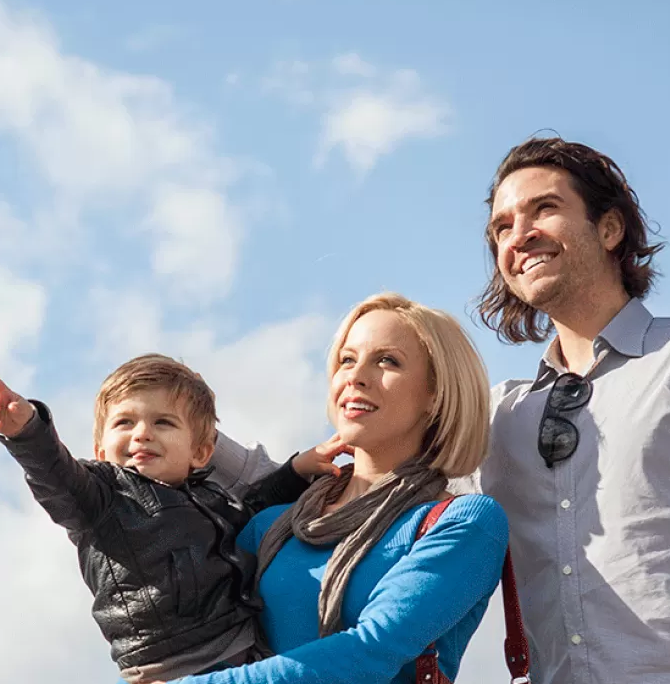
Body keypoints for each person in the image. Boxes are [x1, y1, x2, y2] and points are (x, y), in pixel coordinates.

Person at [165, 293, 509, 684]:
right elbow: (197, 637)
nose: (355, 376)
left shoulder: (464, 522)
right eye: (347, 359)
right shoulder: (270, 525)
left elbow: (370, 652)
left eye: (387, 360)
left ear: (436, 394)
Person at [0, 354, 350, 684]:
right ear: (100, 449)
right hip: (168, 665)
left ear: (200, 452)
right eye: (124, 422)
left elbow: (253, 510)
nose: (142, 434)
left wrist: (295, 472)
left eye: (163, 423)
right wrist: (27, 432)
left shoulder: (209, 497)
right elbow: (57, 477)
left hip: (241, 645)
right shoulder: (102, 498)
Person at [474, 136, 670, 683]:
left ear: (610, 229)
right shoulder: (496, 419)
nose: (520, 235)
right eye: (502, 227)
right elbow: (375, 484)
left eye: (544, 208)